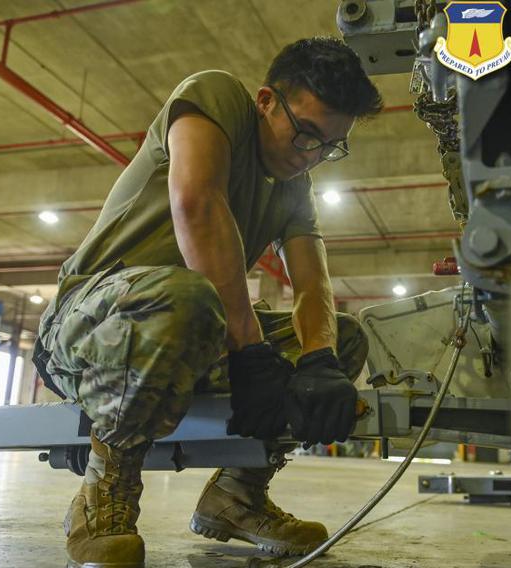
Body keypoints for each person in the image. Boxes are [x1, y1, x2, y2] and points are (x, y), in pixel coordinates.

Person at [32, 37, 383, 568]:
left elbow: (313, 286)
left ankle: (236, 497)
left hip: (191, 328)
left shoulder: (294, 186)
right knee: (187, 295)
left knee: (345, 335)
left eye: (330, 147)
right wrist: (249, 350)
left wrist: (320, 361)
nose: (310, 155)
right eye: (306, 134)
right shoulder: (216, 97)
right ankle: (104, 497)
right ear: (266, 100)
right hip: (89, 325)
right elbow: (196, 203)